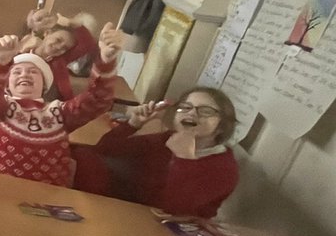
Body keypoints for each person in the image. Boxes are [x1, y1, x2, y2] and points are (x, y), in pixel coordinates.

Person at [0, 25, 123, 187]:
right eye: (16, 72)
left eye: (33, 72)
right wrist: (0, 62)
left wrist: (106, 61)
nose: (24, 74)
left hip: (45, 199)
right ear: (7, 85)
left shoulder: (60, 113)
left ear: (45, 86)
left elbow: (98, 100)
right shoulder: (0, 108)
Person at [86, 88, 239, 218]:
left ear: (222, 126)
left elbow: (174, 210)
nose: (192, 113)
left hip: (171, 234)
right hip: (131, 213)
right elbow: (104, 151)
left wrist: (184, 160)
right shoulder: (166, 139)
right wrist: (133, 124)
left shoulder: (224, 169)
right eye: (186, 107)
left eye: (206, 111)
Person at [25, 8, 96, 100]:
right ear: (47, 33)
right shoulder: (23, 54)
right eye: (58, 40)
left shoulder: (60, 60)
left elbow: (88, 43)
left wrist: (72, 23)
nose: (59, 47)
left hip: (56, 105)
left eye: (64, 48)